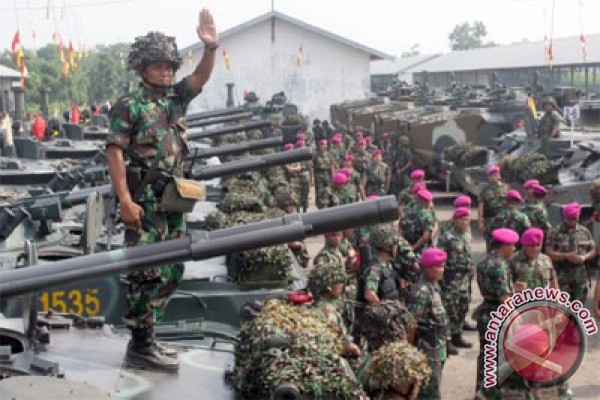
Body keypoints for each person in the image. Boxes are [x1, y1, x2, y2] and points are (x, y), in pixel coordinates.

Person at [106, 9, 218, 371]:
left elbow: (200, 77)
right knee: (144, 273)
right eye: (159, 66)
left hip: (172, 202)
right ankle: (140, 345)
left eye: (170, 66)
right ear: (142, 68)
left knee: (173, 269)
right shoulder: (129, 105)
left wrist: (211, 48)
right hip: (144, 204)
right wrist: (124, 200)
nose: (167, 71)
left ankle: (148, 336)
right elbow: (115, 152)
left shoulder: (173, 100)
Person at [474, 228, 518, 393]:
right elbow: (503, 298)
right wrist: (517, 319)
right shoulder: (500, 265)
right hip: (498, 317)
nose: (514, 249)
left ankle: (480, 391)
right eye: (512, 245)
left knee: (485, 355)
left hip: (486, 312)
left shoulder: (484, 260)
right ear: (504, 246)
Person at [409, 247, 448, 400]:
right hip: (427, 348)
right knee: (429, 392)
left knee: (435, 384)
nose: (442, 270)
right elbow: (412, 323)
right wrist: (411, 351)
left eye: (442, 266)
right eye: (438, 266)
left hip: (437, 346)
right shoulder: (422, 291)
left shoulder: (434, 286)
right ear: (428, 269)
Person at [437, 207, 473, 356]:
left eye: (467, 219)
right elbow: (440, 257)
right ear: (456, 220)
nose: (465, 222)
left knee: (462, 306)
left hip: (465, 278)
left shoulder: (467, 235)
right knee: (450, 310)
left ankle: (458, 335)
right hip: (451, 279)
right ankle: (448, 340)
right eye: (463, 219)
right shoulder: (447, 237)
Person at [546, 202, 596, 304]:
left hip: (580, 276)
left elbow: (593, 250)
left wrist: (584, 257)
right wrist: (565, 256)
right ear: (565, 217)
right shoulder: (555, 232)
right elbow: (548, 252)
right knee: (563, 308)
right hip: (562, 277)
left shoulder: (585, 232)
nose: (573, 221)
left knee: (579, 306)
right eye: (570, 219)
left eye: (575, 218)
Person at [478, 165, 508, 245]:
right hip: (490, 220)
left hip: (503, 220)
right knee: (490, 241)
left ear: (499, 175)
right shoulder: (485, 189)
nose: (493, 177)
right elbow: (481, 205)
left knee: (502, 242)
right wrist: (480, 221)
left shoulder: (505, 188)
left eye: (495, 175)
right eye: (491, 175)